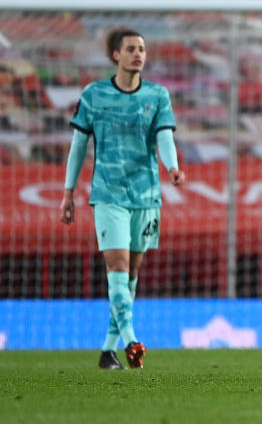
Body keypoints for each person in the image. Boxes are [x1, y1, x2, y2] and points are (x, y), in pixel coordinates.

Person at [60, 28, 185, 370]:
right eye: (131, 48)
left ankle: (107, 351)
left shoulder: (158, 95)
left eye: (142, 49)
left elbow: (164, 137)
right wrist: (68, 193)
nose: (138, 54)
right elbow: (78, 146)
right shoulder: (94, 94)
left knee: (131, 276)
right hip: (108, 193)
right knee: (117, 266)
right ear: (116, 55)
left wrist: (172, 168)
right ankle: (132, 342)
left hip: (146, 196)